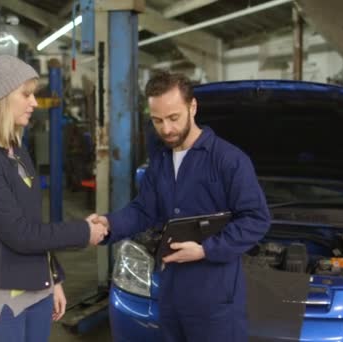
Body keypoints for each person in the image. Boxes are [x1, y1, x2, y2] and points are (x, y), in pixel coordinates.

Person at [90, 71, 270, 342]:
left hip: (215, 298)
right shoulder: (161, 160)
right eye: (157, 120)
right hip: (171, 292)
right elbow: (144, 210)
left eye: (174, 118)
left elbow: (256, 219)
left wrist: (205, 250)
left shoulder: (229, 160)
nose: (166, 129)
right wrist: (109, 224)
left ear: (192, 107)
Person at [0, 54, 108, 342]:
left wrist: (53, 278)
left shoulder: (17, 150)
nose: (34, 103)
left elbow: (34, 223)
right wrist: (83, 231)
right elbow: (20, 234)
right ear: (1, 97)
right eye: (26, 94)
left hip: (36, 292)